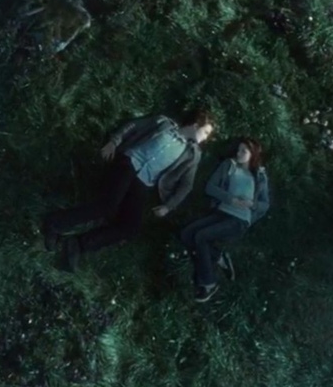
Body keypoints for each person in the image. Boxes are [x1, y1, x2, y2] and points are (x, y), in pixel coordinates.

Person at [42, 109, 215, 271]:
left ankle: (78, 245)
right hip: (128, 162)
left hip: (144, 182)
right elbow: (133, 126)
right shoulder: (163, 123)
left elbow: (187, 185)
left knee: (130, 227)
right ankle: (54, 223)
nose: (206, 137)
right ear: (195, 125)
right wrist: (113, 142)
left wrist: (169, 206)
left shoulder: (193, 154)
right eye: (206, 132)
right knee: (107, 206)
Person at [179, 137, 270, 303]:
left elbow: (265, 205)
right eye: (238, 150)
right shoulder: (229, 165)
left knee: (201, 236)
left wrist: (253, 204)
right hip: (222, 211)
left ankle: (209, 283)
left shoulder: (260, 176)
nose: (239, 153)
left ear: (253, 155)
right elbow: (210, 187)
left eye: (244, 151)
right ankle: (218, 256)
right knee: (187, 234)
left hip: (240, 219)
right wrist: (230, 199)